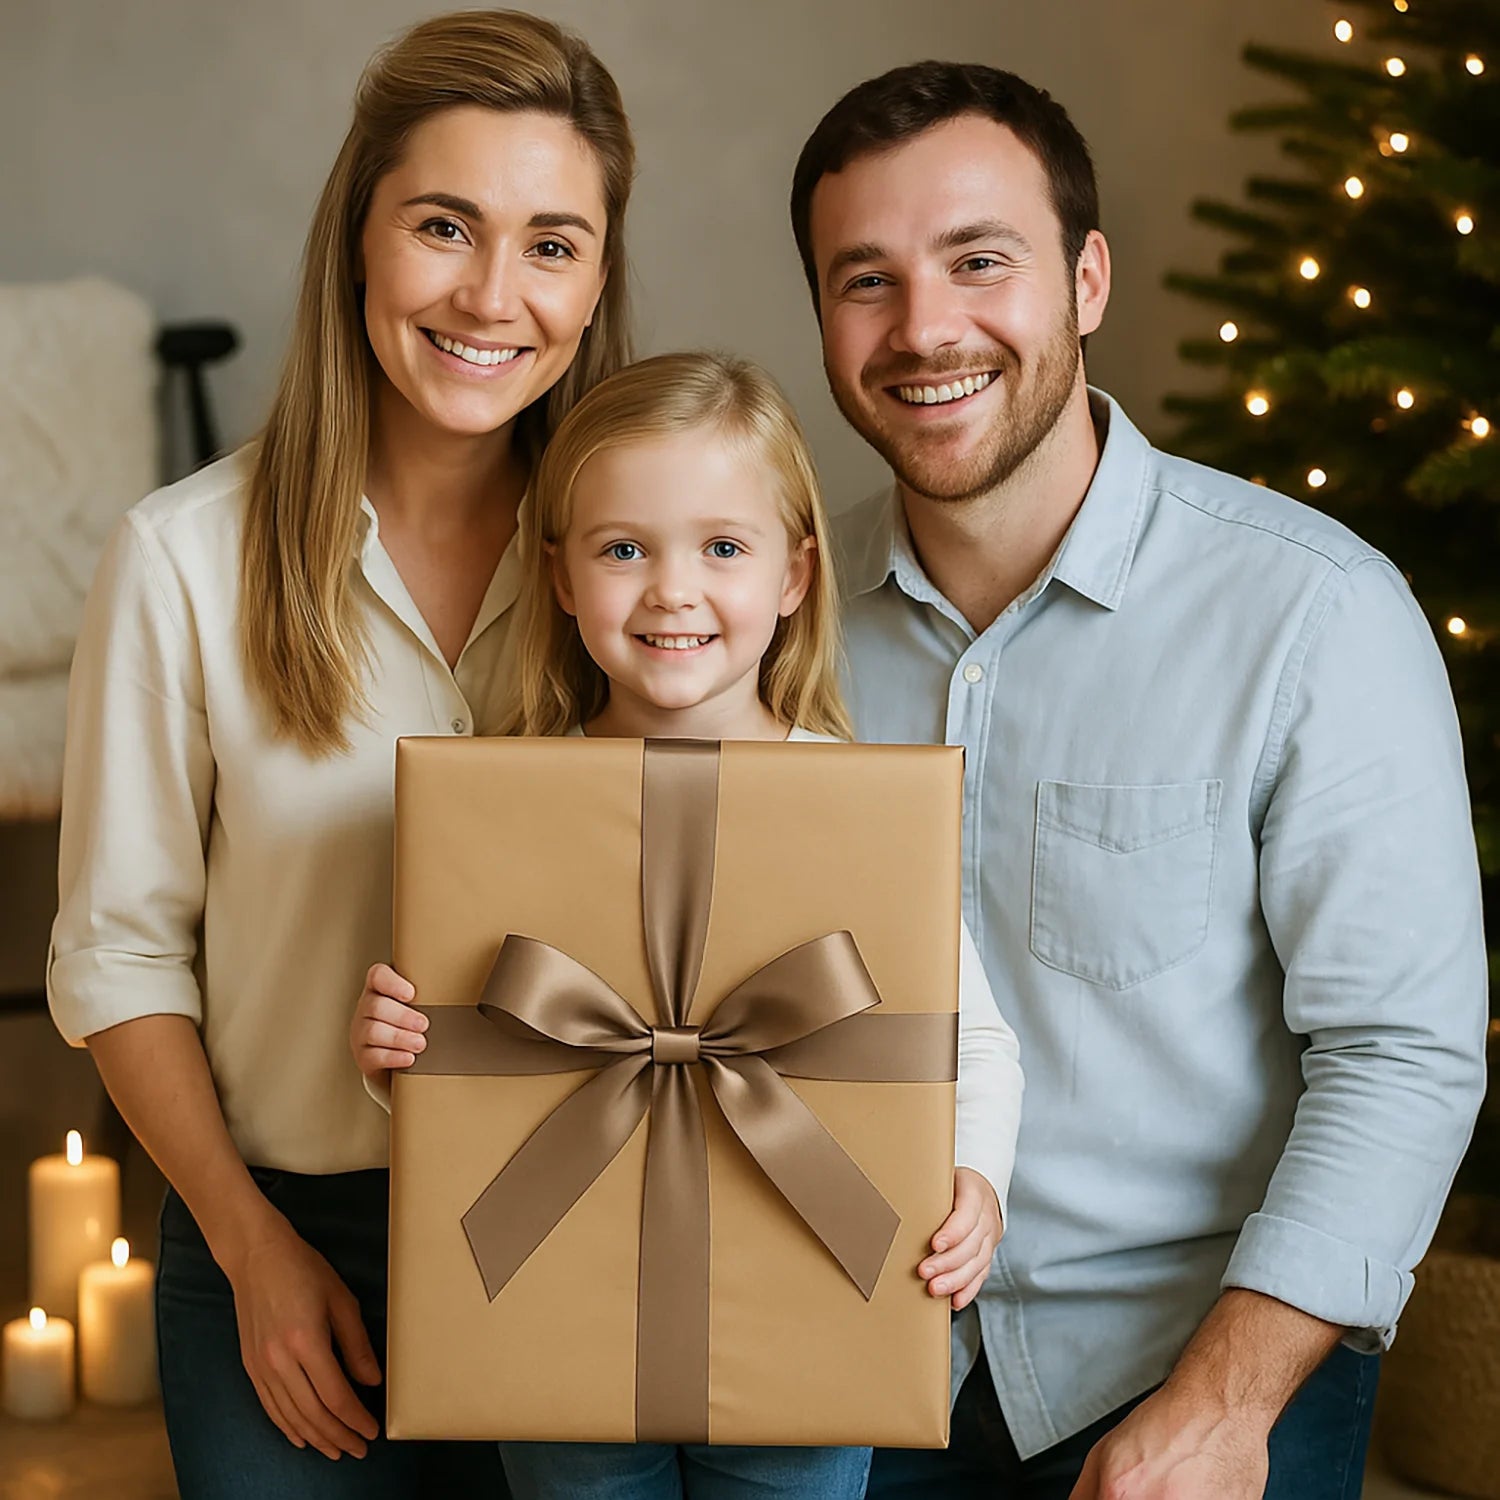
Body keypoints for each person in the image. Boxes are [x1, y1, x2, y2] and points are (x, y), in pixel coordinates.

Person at [788, 61, 1489, 1500]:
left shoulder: (1315, 616)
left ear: (1088, 280)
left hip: (1196, 1366)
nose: (925, 329)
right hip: (849, 1364)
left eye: (980, 262)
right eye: (867, 280)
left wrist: (1226, 1404)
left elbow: (1403, 1055)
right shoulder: (771, 625)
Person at [46, 11, 633, 1496]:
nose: (495, 295)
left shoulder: (655, 570)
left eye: (554, 244)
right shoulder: (179, 560)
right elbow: (119, 958)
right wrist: (253, 1248)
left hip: (596, 1218)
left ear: (598, 278)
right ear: (357, 241)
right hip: (282, 1224)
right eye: (445, 226)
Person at [351, 350, 1026, 1500]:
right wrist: (388, 1057)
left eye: (722, 547)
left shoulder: (865, 809)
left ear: (795, 574)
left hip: (812, 1313)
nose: (672, 590)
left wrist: (978, 1179)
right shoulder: (495, 809)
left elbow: (965, 1039)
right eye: (625, 549)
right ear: (559, 575)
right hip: (559, 1320)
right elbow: (461, 1062)